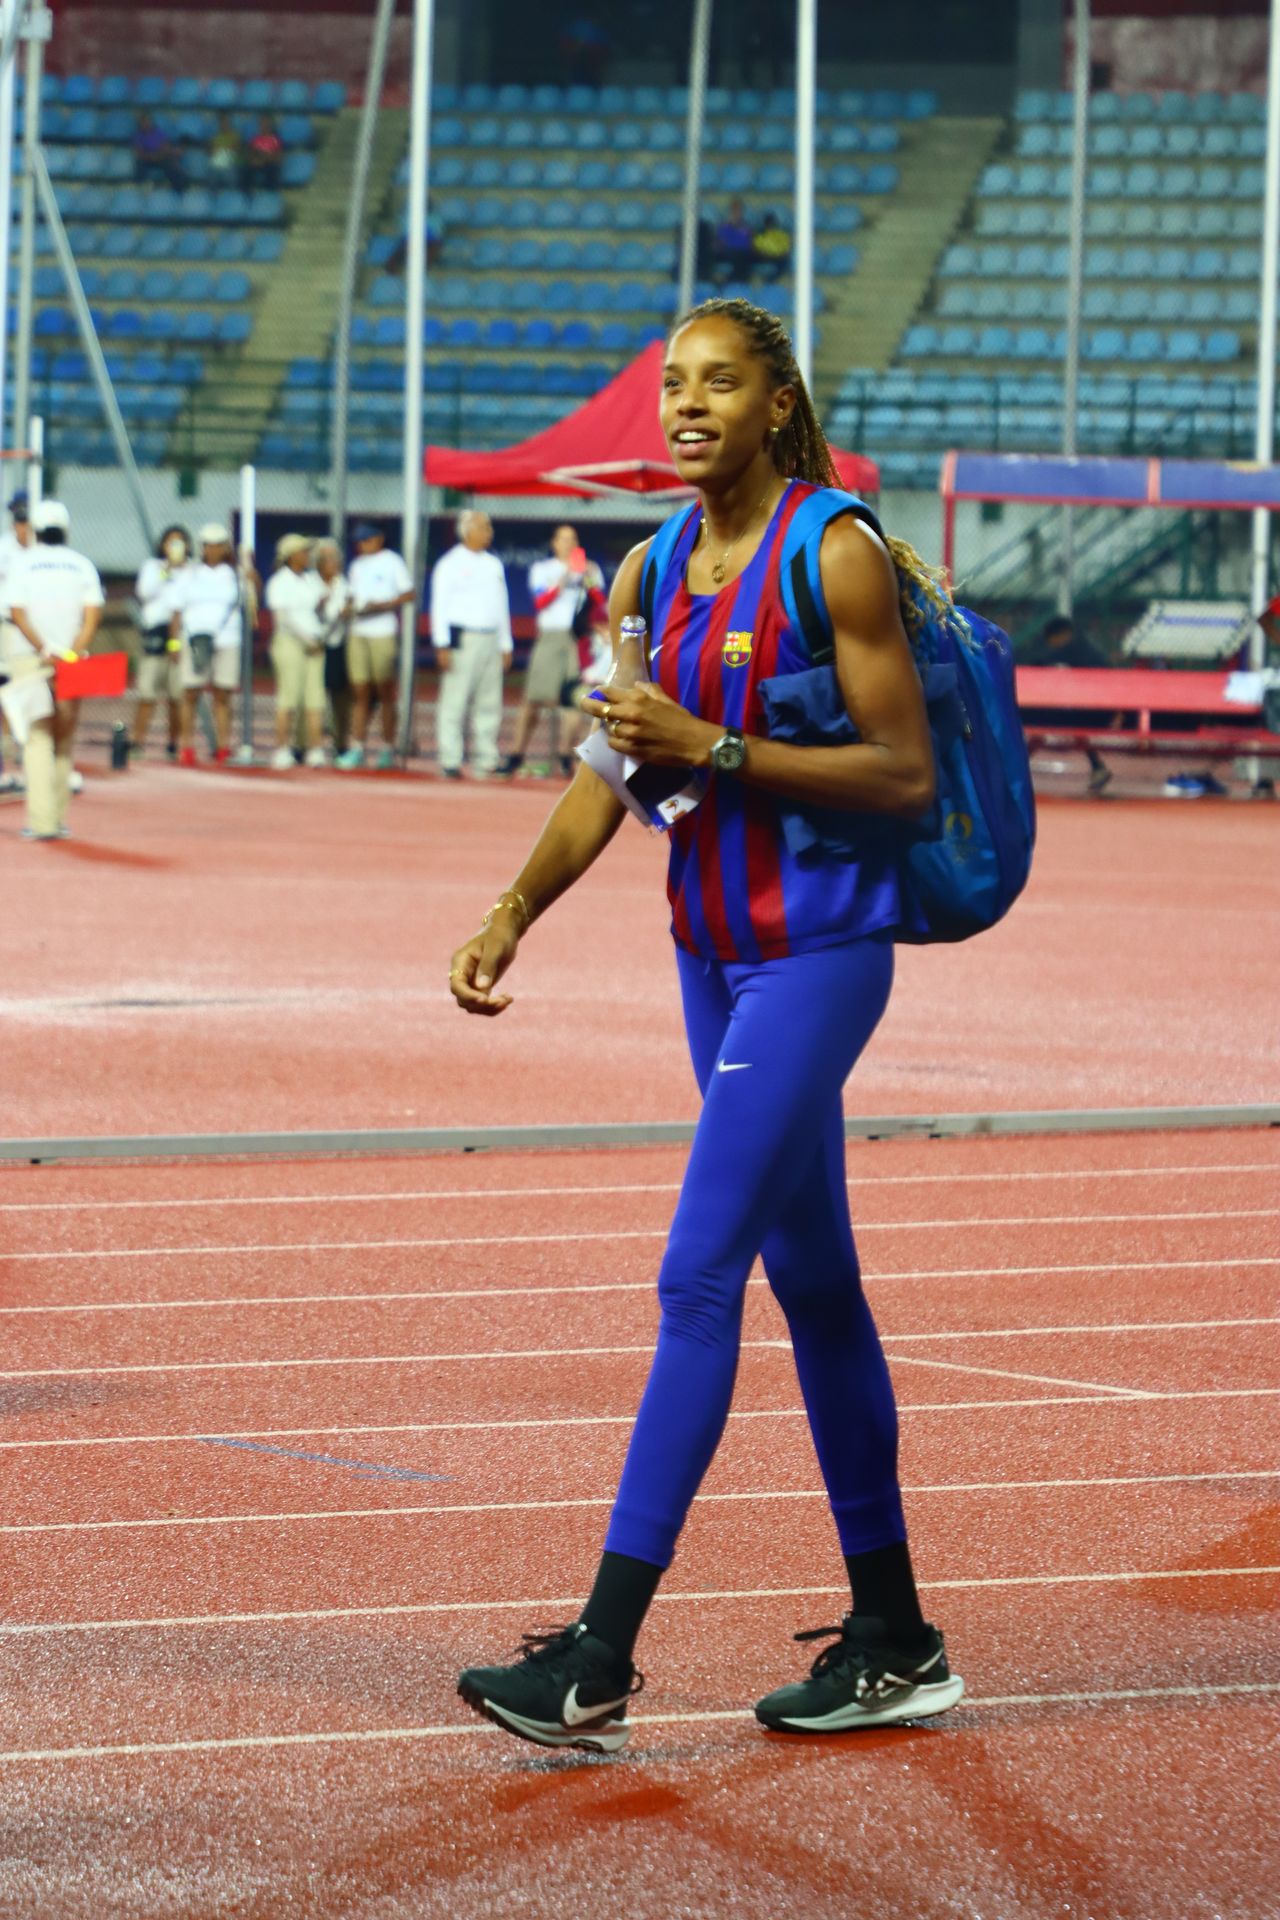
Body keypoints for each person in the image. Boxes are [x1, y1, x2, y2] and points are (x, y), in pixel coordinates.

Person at [449, 296, 964, 1752]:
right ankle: (895, 1639)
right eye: (673, 382)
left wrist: (720, 747)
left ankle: (598, 1657)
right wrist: (513, 908)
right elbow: (615, 766)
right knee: (816, 1285)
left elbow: (904, 776)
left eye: (718, 382)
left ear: (775, 402)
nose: (685, 404)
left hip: (817, 956)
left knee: (697, 1276)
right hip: (711, 961)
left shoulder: (833, 550)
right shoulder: (648, 569)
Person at [3, 500, 103, 842]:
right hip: (72, 660)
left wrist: (44, 648)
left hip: (31, 659)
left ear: (36, 529)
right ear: (65, 529)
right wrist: (70, 653)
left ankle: (42, 822)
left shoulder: (23, 565)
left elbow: (17, 614)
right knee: (64, 740)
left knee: (37, 738)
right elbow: (91, 617)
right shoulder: (82, 566)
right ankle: (58, 820)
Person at [498, 523, 605, 779]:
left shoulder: (590, 569)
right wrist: (565, 577)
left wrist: (588, 578)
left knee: (574, 697)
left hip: (578, 639)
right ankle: (516, 754)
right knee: (533, 698)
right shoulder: (543, 569)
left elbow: (599, 603)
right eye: (563, 539)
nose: (569, 544)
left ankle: (566, 756)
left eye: (573, 539)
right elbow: (541, 601)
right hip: (550, 636)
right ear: (554, 543)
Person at [429, 509, 514, 780]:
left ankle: (486, 759)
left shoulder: (494, 564)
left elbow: (502, 605)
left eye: (489, 527)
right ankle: (450, 759)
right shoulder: (450, 563)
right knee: (455, 700)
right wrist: (441, 643)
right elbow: (439, 605)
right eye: (484, 527)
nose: (490, 532)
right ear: (467, 531)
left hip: (491, 638)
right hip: (463, 639)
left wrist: (506, 643)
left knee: (489, 701)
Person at [168, 523, 250, 766]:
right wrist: (173, 644)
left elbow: (250, 602)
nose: (212, 550)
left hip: (227, 639)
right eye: (208, 546)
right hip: (195, 639)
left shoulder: (235, 575)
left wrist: (250, 572)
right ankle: (186, 746)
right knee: (190, 693)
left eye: (217, 546)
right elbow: (176, 611)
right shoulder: (189, 574)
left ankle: (223, 746)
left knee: (223, 694)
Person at [337, 523, 415, 770]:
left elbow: (408, 594)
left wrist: (381, 606)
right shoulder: (357, 565)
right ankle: (357, 747)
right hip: (358, 631)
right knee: (359, 691)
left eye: (367, 540)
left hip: (382, 631)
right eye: (360, 541)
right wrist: (348, 608)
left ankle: (387, 748)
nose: (362, 545)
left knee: (385, 691)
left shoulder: (393, 561)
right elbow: (351, 596)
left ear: (379, 539)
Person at [1021, 614, 1114, 794]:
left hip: (1097, 713)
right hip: (1097, 708)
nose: (1052, 645)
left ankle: (1016, 766)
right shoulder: (1084, 646)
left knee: (1043, 720)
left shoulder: (1073, 647)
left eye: (1052, 640)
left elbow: (1039, 662)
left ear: (1062, 634)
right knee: (1050, 720)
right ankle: (1097, 766)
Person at [264, 535, 329, 769]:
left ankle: (315, 748)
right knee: (288, 697)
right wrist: (307, 639)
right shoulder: (279, 582)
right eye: (303, 551)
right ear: (291, 555)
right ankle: (282, 748)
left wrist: (319, 635)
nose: (308, 555)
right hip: (290, 642)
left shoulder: (312, 579)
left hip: (314, 643)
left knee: (315, 698)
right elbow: (284, 618)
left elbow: (319, 608)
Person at [131, 524, 192, 761]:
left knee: (177, 695)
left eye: (179, 542)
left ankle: (174, 743)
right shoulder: (153, 567)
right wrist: (167, 570)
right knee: (147, 692)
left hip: (180, 635)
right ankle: (137, 742)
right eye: (170, 542)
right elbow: (145, 592)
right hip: (155, 633)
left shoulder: (192, 571)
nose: (175, 547)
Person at [0, 491, 35, 792]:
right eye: (18, 519)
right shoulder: (3, 548)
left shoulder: (42, 552)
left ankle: (27, 749)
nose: (22, 525)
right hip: (5, 627)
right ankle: (5, 749)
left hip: (32, 630)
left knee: (29, 689)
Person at [314, 537, 353, 758]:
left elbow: (346, 611)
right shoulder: (309, 583)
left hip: (338, 645)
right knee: (314, 696)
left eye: (336, 558)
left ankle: (340, 743)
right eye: (328, 558)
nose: (334, 562)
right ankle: (311, 743)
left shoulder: (344, 584)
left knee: (340, 697)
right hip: (314, 646)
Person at [132, 112, 186, 192]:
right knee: (139, 165)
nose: (146, 124)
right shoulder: (138, 136)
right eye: (143, 122)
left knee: (171, 165)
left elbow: (165, 148)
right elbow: (139, 152)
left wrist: (158, 155)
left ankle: (178, 189)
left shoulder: (159, 133)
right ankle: (140, 188)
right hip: (146, 160)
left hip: (160, 158)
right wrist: (151, 156)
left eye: (148, 121)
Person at [713, 199, 757, 283]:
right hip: (728, 253)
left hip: (743, 253)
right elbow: (720, 243)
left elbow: (749, 243)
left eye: (739, 210)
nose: (736, 213)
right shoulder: (723, 227)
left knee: (745, 255)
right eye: (734, 210)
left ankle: (739, 281)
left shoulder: (747, 227)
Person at [240, 115, 283, 194]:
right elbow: (251, 155)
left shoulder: (275, 140)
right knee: (246, 169)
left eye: (266, 124)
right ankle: (246, 194)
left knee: (273, 170)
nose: (263, 126)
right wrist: (255, 160)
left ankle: (270, 194)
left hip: (270, 164)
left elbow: (278, 157)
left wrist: (265, 157)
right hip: (257, 163)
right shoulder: (255, 139)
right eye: (261, 124)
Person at [752, 211, 792, 284]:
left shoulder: (782, 235)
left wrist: (775, 253)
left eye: (771, 223)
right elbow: (757, 247)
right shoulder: (760, 235)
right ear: (765, 224)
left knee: (785, 261)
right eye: (768, 223)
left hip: (777, 257)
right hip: (763, 257)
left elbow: (785, 248)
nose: (769, 225)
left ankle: (770, 280)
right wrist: (767, 252)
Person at [207, 112, 242, 183]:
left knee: (230, 173)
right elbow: (211, 151)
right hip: (216, 165)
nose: (224, 125)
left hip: (230, 164)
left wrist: (220, 148)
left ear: (230, 124)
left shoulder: (235, 136)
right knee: (212, 172)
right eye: (222, 123)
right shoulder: (215, 136)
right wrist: (226, 148)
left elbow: (236, 149)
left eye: (226, 123)